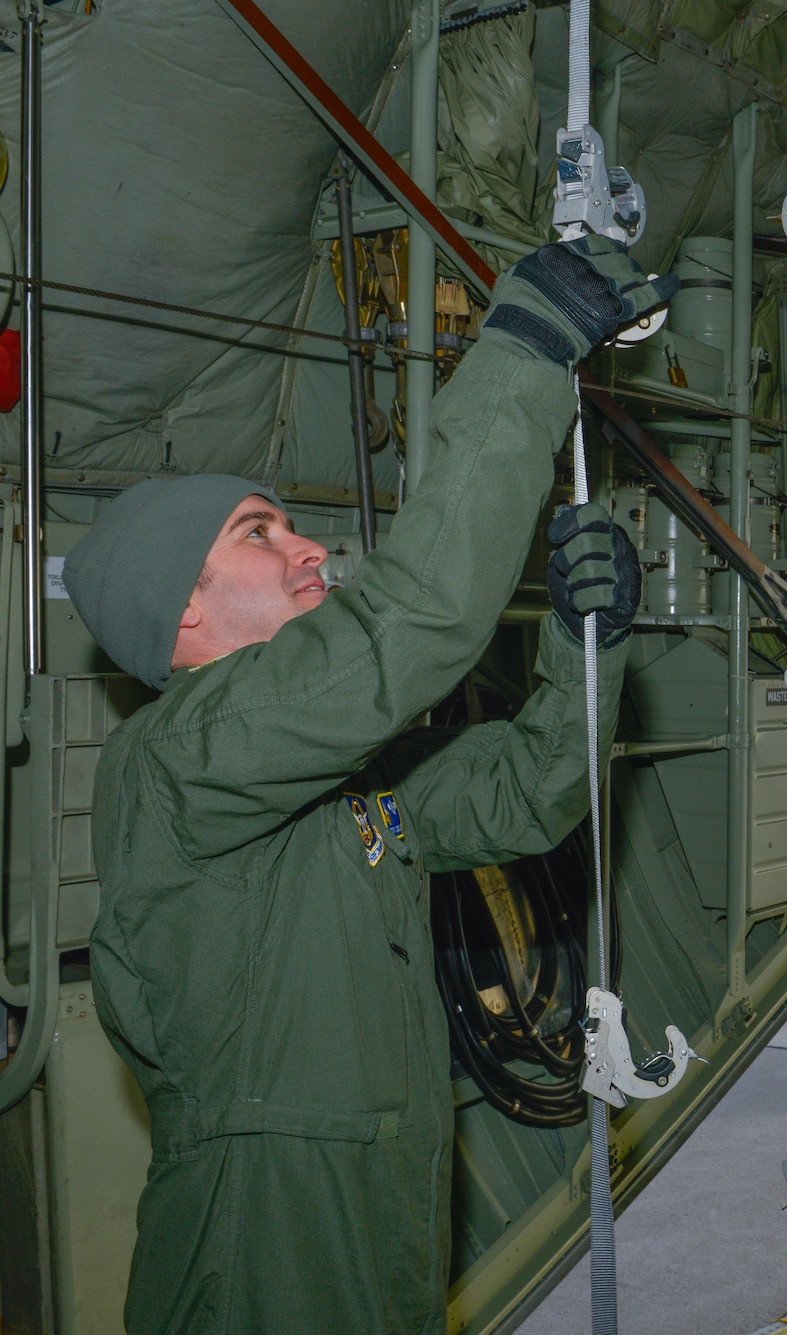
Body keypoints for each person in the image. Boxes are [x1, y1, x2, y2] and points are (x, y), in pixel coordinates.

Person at [64, 237, 670, 1335]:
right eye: (260, 534)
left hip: (378, 1213)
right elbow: (416, 621)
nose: (308, 550)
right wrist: (524, 353)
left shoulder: (322, 779)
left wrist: (587, 646)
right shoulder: (183, 753)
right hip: (265, 1234)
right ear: (182, 614)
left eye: (291, 524)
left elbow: (525, 794)